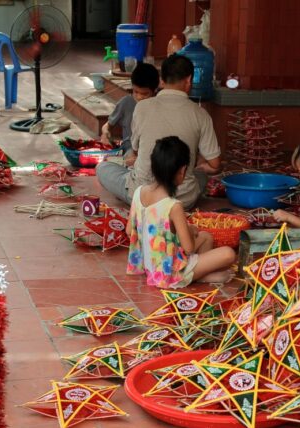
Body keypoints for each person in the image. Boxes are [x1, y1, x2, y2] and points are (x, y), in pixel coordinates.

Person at [98, 54, 222, 210]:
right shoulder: (201, 114)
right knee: (200, 177)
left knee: (103, 168)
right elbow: (215, 165)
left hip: (143, 196)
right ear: (189, 80)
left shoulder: (142, 108)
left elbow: (135, 151)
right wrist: (197, 168)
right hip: (183, 199)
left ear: (162, 80)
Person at [126, 136, 235, 288]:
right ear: (182, 171)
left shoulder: (138, 193)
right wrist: (189, 230)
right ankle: (198, 277)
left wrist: (184, 230)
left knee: (206, 237)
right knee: (228, 253)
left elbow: (129, 230)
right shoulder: (173, 206)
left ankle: (200, 274)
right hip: (169, 272)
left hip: (149, 264)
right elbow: (188, 248)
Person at [100, 62, 159, 154]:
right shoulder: (126, 102)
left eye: (144, 94)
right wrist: (105, 133)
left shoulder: (159, 104)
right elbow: (107, 125)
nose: (139, 97)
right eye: (136, 92)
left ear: (155, 90)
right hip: (130, 150)